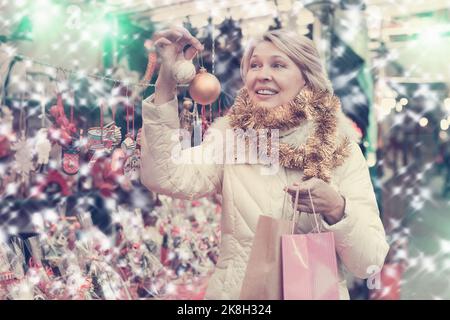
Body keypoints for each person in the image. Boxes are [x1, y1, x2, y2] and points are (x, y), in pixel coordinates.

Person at [140, 26, 389, 300]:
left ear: (306, 78)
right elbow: (165, 176)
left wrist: (337, 208)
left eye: (278, 65)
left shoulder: (339, 148)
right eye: (255, 65)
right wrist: (166, 81)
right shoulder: (232, 139)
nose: (262, 75)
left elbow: (369, 263)